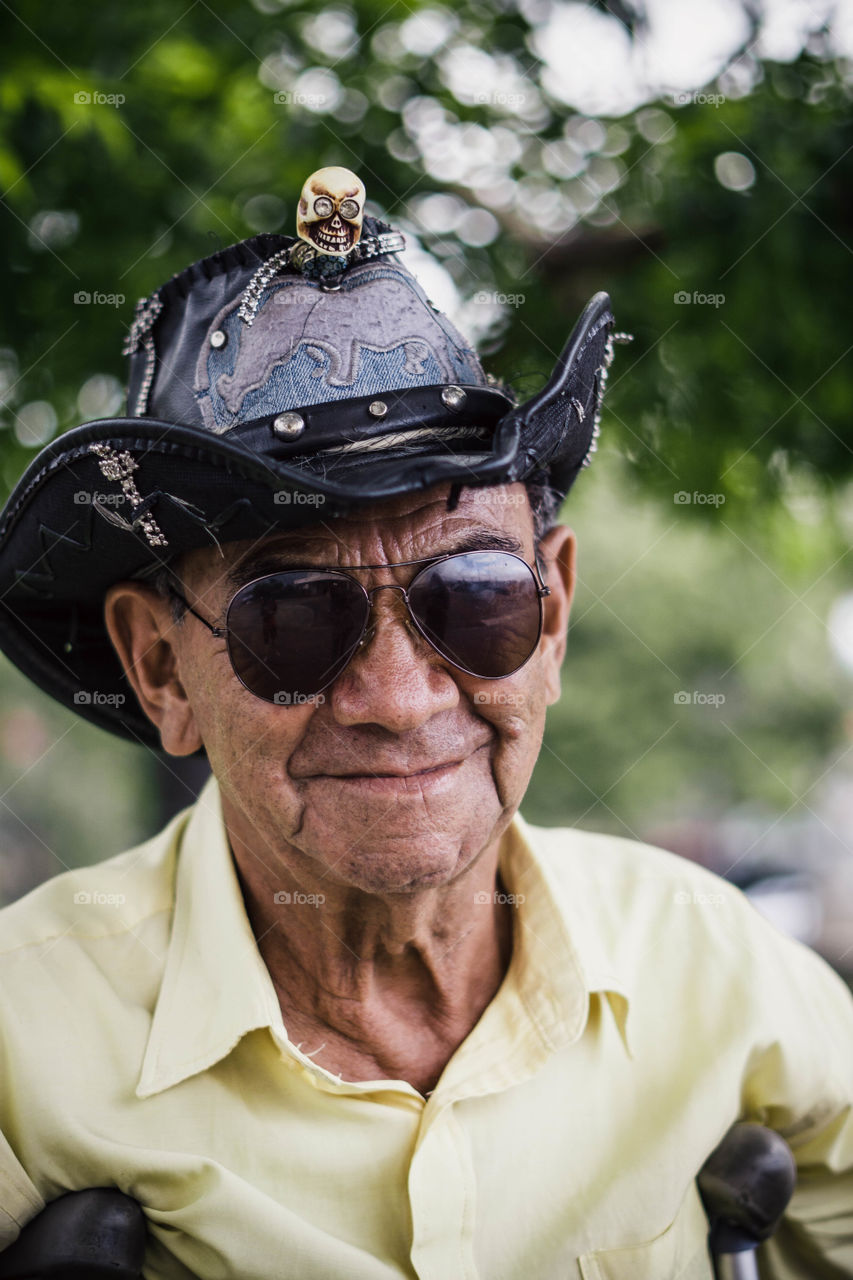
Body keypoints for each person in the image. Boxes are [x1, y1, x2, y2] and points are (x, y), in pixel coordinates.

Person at [0, 166, 850, 1280]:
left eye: (476, 597)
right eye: (294, 618)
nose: (400, 700)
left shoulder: (715, 968)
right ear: (160, 667)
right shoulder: (25, 1038)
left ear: (551, 617)